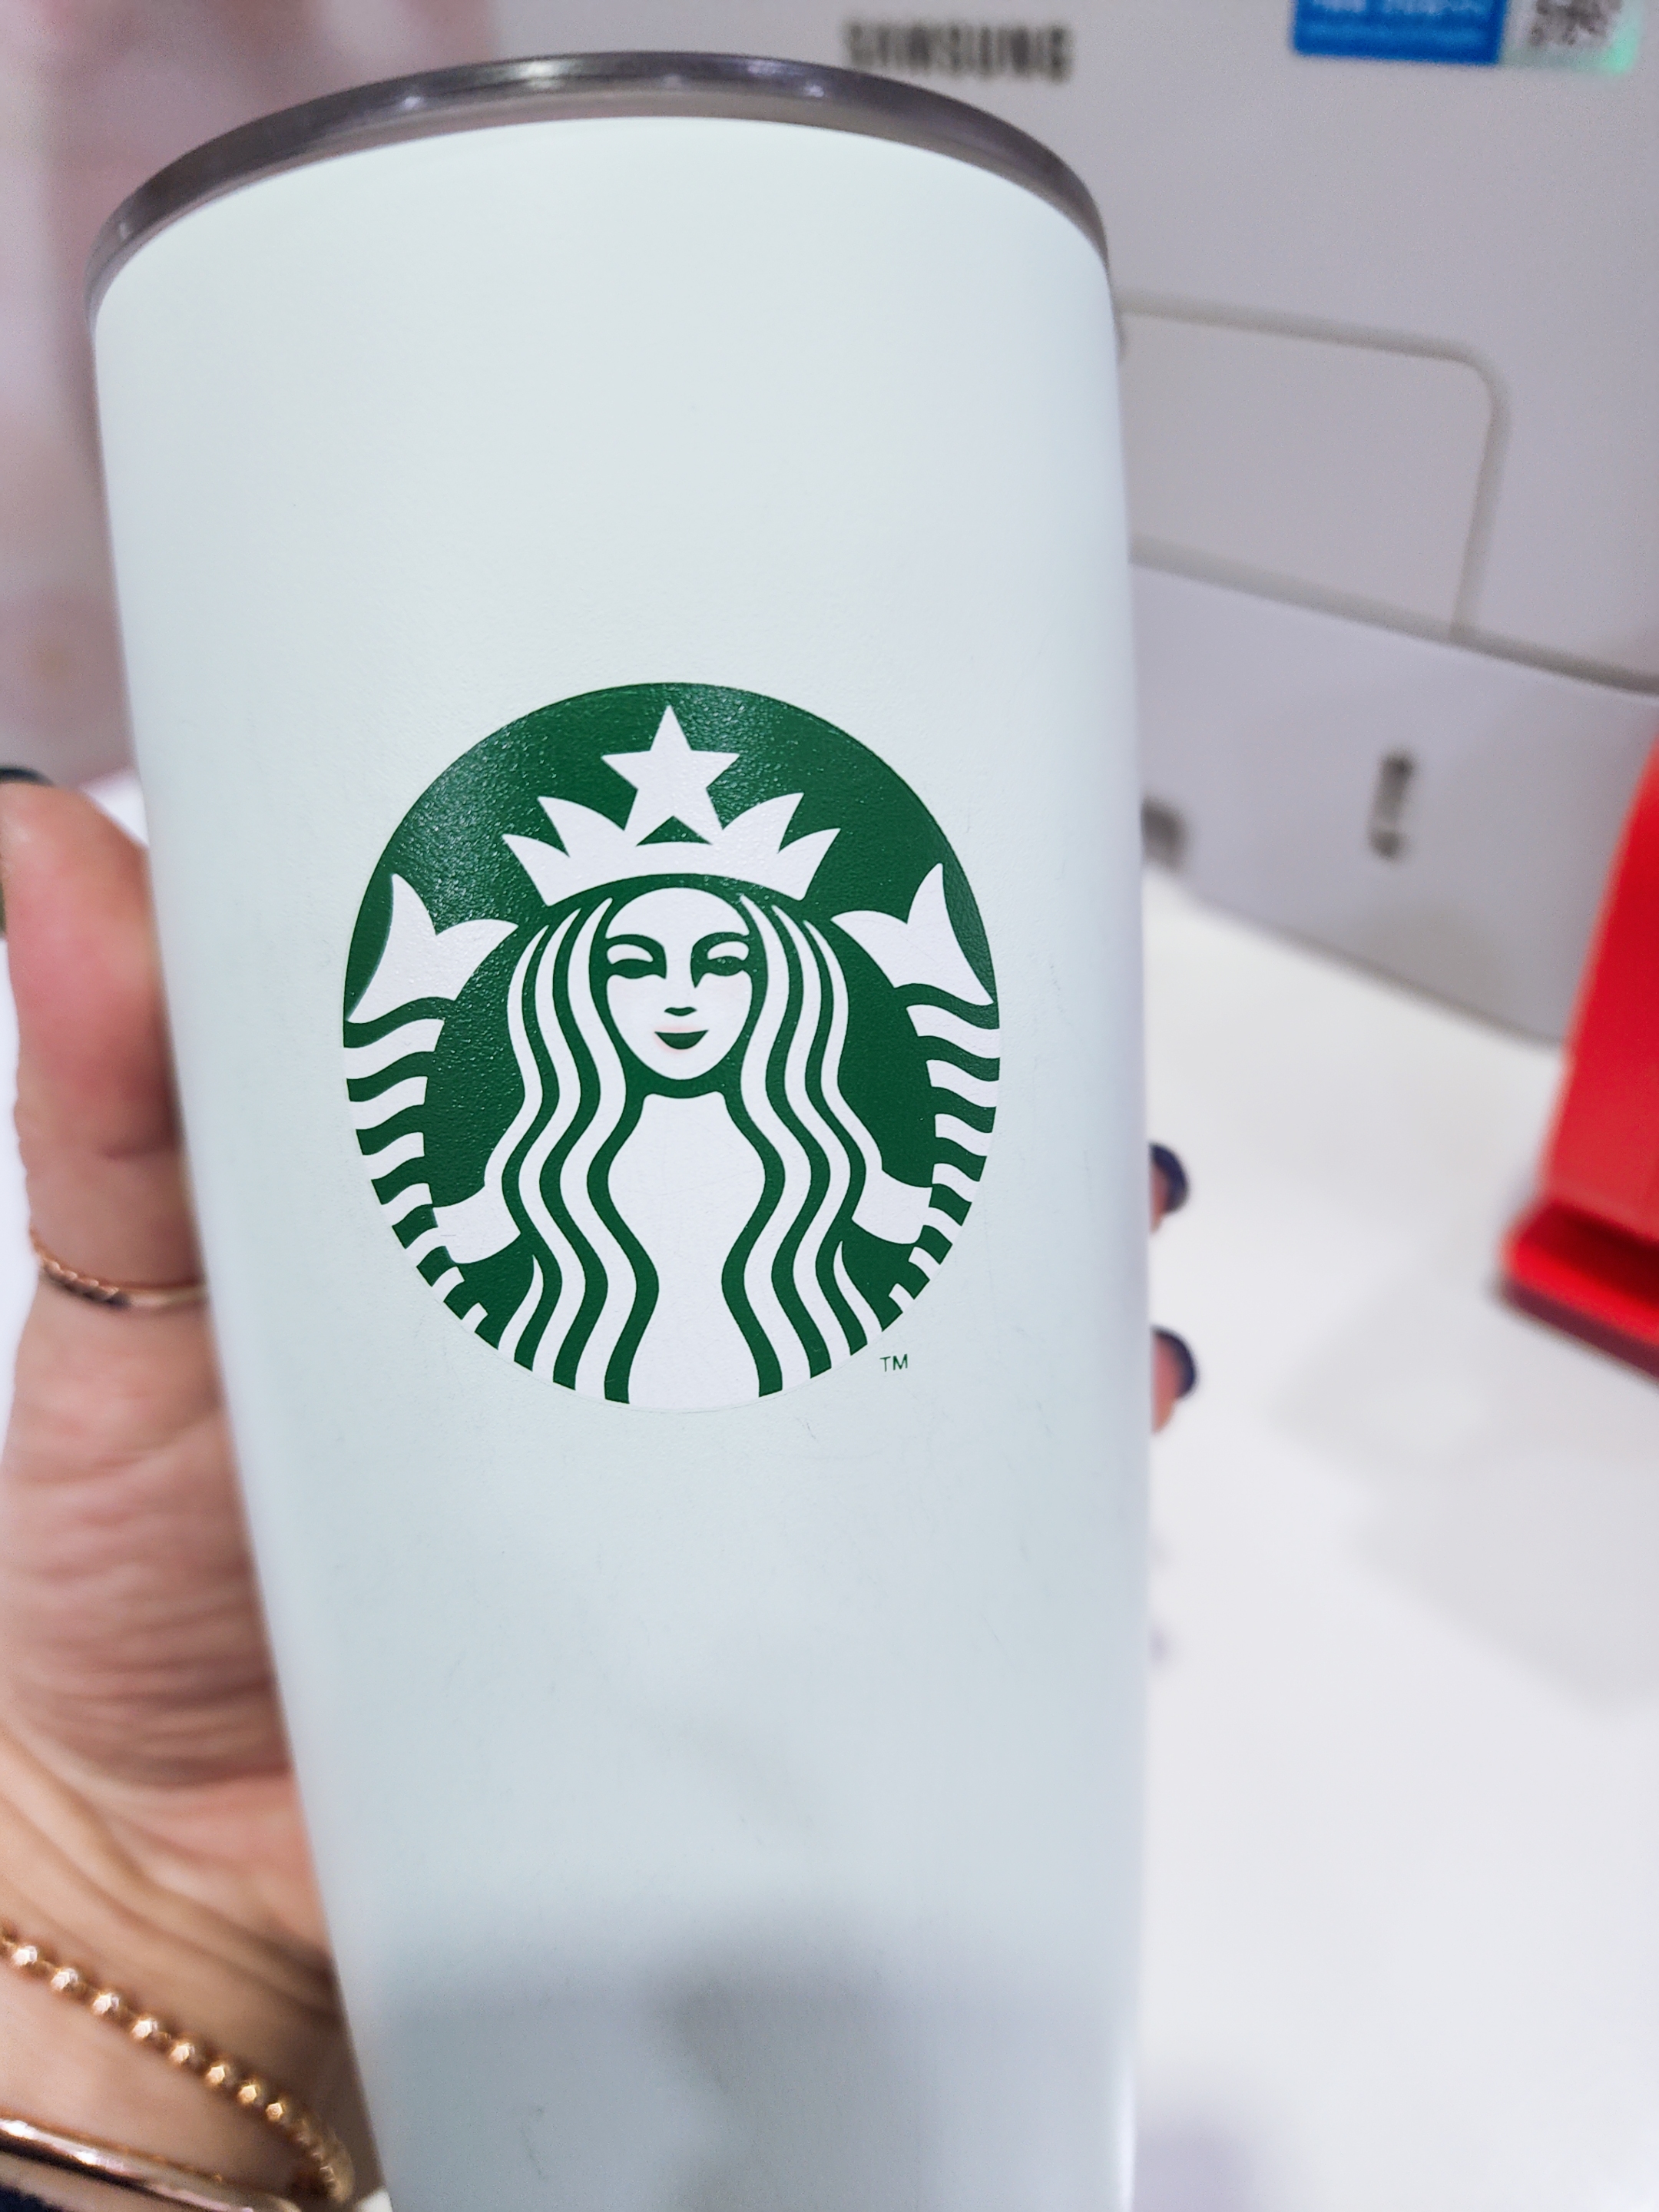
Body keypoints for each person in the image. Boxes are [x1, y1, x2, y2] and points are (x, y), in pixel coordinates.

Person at [0, 780, 1195, 2205]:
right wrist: (118, 1903)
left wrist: (122, 1914)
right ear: (569, 988)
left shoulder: (856, 1198)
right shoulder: (505, 1202)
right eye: (636, 962)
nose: (678, 997)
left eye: (721, 960)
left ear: (789, 983)